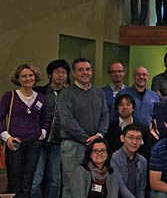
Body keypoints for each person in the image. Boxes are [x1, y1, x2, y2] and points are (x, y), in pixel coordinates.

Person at [58, 58, 109, 198]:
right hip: (73, 146)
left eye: (88, 69)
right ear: (74, 73)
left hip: (96, 146)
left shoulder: (99, 93)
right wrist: (87, 139)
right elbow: (67, 121)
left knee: (93, 186)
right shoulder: (66, 94)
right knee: (71, 186)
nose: (85, 72)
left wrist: (99, 135)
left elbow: (105, 116)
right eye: (81, 70)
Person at [1, 64, 48, 197]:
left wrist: (42, 133)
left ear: (35, 77)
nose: (28, 78)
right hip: (15, 143)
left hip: (34, 143)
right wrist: (7, 137)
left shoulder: (41, 99)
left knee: (28, 183)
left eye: (30, 75)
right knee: (14, 183)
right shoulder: (9, 96)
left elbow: (45, 120)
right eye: (24, 76)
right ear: (18, 79)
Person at [32, 59, 69, 198]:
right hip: (39, 141)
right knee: (36, 179)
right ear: (50, 74)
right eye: (57, 72)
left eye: (64, 73)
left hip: (59, 142)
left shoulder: (69, 94)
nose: (61, 75)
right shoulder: (40, 92)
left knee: (54, 180)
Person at [104, 94, 152, 159]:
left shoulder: (143, 128)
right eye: (121, 105)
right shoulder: (110, 128)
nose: (125, 107)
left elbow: (148, 150)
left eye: (128, 104)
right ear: (117, 108)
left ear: (133, 108)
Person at [110, 124, 148, 198]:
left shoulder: (143, 161)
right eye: (131, 138)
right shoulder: (115, 158)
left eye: (138, 138)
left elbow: (141, 189)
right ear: (122, 138)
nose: (134, 142)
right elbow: (120, 186)